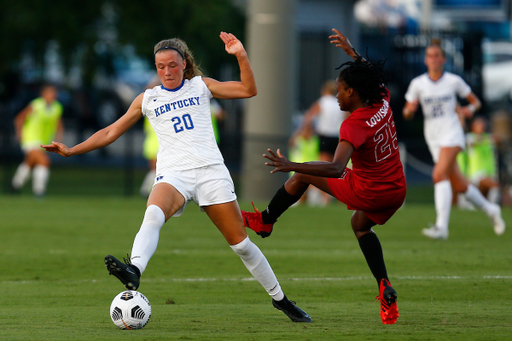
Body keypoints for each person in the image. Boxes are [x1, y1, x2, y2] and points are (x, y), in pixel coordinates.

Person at [42, 32, 311, 323]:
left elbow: (248, 89)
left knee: (241, 245)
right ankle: (134, 270)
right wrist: (71, 150)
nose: (167, 71)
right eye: (160, 66)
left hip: (210, 172)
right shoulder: (148, 98)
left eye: (172, 65)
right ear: (155, 68)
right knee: (153, 215)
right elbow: (110, 131)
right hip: (173, 174)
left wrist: (240, 55)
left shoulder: (200, 86)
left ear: (184, 64)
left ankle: (281, 300)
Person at [242, 29, 404, 325]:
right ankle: (384, 287)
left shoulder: (354, 124)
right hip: (397, 190)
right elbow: (370, 76)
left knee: (305, 172)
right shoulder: (381, 100)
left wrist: (292, 165)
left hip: (369, 190)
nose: (337, 95)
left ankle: (265, 220)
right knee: (360, 225)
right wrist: (352, 52)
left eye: (340, 90)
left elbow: (336, 168)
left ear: (353, 92)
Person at [403, 42, 505, 239]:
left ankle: (442, 227)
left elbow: (475, 102)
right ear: (426, 60)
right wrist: (410, 110)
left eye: (436, 55)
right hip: (433, 136)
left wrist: (470, 110)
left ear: (443, 59)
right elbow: (407, 112)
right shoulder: (418, 84)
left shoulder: (453, 80)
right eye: (430, 56)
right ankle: (491, 210)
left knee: (438, 174)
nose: (433, 59)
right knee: (460, 185)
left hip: (452, 132)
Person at [298, 80, 347, 205]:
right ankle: (328, 196)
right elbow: (346, 117)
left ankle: (325, 196)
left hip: (324, 136)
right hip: (335, 137)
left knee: (322, 168)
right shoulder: (338, 103)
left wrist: (305, 130)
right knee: (331, 169)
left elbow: (309, 116)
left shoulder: (322, 102)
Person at [12, 84, 64, 197]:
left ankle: (16, 184)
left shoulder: (57, 107)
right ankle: (39, 191)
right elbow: (19, 118)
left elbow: (58, 124)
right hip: (30, 138)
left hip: (43, 141)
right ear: (44, 94)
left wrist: (58, 140)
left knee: (30, 163)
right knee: (44, 161)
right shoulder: (36, 104)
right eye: (51, 92)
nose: (54, 95)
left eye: (55, 93)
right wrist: (19, 133)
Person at [459, 116, 500, 204]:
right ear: (472, 126)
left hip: (490, 173)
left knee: (485, 195)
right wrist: (488, 140)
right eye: (478, 123)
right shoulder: (470, 137)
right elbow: (473, 142)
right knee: (495, 186)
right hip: (476, 173)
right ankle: (492, 206)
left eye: (482, 123)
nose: (481, 125)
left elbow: (499, 140)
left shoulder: (488, 137)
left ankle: (488, 207)